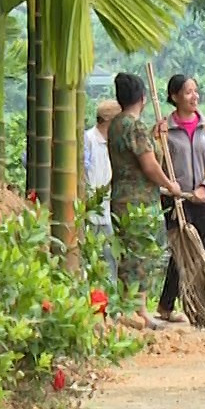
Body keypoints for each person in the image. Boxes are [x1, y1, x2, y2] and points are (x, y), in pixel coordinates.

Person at [107, 73, 184, 308]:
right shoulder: (135, 127)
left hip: (120, 197)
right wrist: (170, 185)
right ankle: (135, 307)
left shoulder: (116, 124)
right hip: (140, 202)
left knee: (128, 252)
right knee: (141, 254)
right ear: (142, 98)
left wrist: (153, 135)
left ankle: (133, 307)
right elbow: (149, 166)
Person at [153, 74, 205, 324]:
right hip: (175, 199)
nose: (194, 96)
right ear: (174, 97)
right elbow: (153, 160)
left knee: (200, 249)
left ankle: (197, 303)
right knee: (180, 251)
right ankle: (168, 305)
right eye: (188, 92)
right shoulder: (164, 130)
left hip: (200, 198)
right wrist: (156, 136)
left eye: (196, 91)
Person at [83, 100, 122, 277]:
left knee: (110, 261)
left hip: (108, 212)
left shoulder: (114, 143)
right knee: (90, 259)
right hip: (90, 211)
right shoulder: (88, 140)